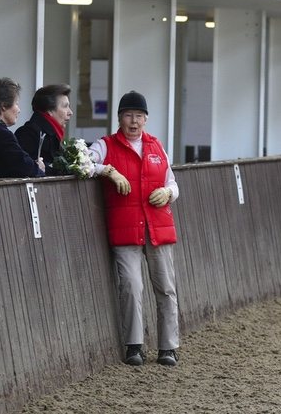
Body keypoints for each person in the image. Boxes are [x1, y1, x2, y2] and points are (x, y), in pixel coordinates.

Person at [88, 91, 180, 367]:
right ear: (119, 118)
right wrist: (108, 171)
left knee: (165, 287)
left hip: (157, 226)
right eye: (128, 115)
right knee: (131, 285)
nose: (134, 121)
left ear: (146, 119)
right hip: (125, 228)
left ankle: (168, 347)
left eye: (139, 116)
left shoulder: (156, 146)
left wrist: (168, 193)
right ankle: (134, 345)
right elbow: (85, 164)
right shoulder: (105, 145)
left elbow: (173, 182)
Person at [15, 84, 73, 175]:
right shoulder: (28, 134)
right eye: (65, 106)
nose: (70, 112)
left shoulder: (53, 134)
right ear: (49, 110)